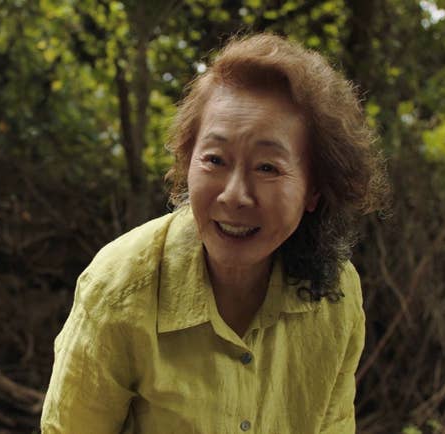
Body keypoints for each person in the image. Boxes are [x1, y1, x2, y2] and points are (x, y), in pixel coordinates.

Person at [41, 33, 388, 433]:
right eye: (215, 160)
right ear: (188, 163)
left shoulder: (336, 294)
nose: (234, 195)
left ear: (313, 189)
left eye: (267, 168)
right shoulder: (119, 288)